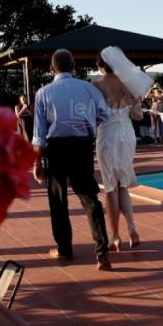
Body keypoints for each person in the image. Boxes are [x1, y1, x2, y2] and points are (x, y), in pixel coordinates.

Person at [32, 49, 112, 270]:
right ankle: (102, 251)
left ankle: (64, 250)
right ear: (74, 67)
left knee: (58, 203)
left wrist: (36, 163)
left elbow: (39, 134)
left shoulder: (43, 93)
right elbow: (105, 115)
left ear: (51, 68)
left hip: (55, 150)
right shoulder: (88, 89)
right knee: (90, 199)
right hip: (81, 147)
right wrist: (86, 122)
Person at [93, 49, 145, 252]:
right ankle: (132, 227)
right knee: (123, 184)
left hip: (107, 135)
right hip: (127, 135)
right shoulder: (130, 85)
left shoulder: (96, 86)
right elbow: (138, 116)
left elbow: (93, 115)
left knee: (109, 187)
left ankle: (115, 236)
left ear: (100, 67)